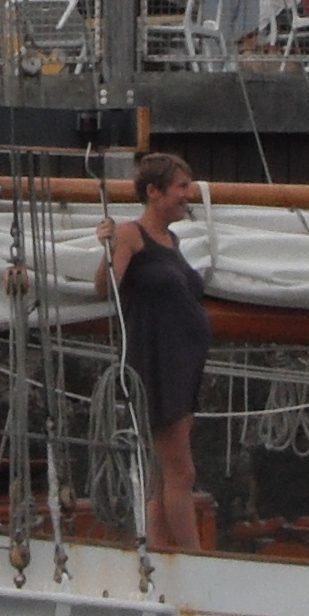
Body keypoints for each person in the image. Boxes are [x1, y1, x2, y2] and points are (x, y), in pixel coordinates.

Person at [93, 151, 212, 555]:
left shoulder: (172, 240)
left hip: (182, 364)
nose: (188, 195)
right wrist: (107, 246)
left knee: (166, 474)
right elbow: (105, 287)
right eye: (181, 188)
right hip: (157, 363)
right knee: (182, 470)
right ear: (154, 191)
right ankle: (196, 561)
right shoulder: (131, 234)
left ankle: (159, 553)